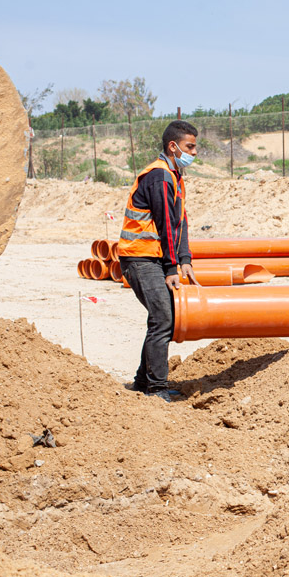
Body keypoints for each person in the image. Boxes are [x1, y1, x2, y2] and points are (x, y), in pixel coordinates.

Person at [115, 120, 200, 401]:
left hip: (150, 257)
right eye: (190, 146)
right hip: (139, 257)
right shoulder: (159, 176)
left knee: (161, 317)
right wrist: (171, 267)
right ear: (173, 146)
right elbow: (165, 224)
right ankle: (156, 388)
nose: (195, 152)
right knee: (163, 318)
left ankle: (143, 382)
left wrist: (185, 258)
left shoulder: (174, 176)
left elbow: (180, 222)